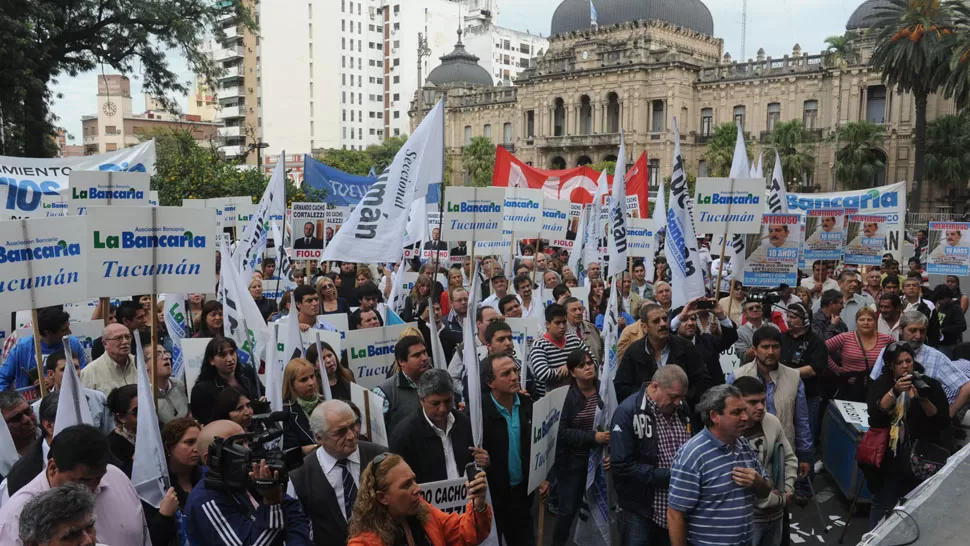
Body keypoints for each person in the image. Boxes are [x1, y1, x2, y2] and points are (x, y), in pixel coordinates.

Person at [0, 424, 150, 545]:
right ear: (53, 468)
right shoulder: (14, 519)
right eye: (83, 481)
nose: (91, 488)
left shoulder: (116, 477)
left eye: (98, 477)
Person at [667, 385, 771, 546]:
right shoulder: (693, 455)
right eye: (736, 412)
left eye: (744, 410)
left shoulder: (743, 445)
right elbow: (675, 514)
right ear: (715, 416)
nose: (745, 417)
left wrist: (758, 482)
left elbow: (766, 491)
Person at [864, 342, 950, 529]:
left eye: (908, 361)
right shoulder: (882, 384)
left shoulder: (929, 385)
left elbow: (942, 421)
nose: (905, 366)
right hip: (889, 457)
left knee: (915, 507)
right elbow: (876, 414)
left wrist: (923, 399)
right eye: (899, 362)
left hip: (920, 458)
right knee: (882, 503)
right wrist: (895, 391)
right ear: (890, 366)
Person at [185, 420, 313, 545]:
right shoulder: (204, 501)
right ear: (212, 459)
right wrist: (271, 501)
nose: (248, 450)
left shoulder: (243, 477)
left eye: (247, 442)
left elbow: (297, 514)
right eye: (239, 444)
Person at [611, 364, 691, 546]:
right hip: (640, 511)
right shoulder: (628, 412)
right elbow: (621, 467)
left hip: (676, 509)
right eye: (673, 397)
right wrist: (670, 476)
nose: (678, 402)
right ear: (655, 387)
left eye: (681, 397)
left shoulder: (681, 409)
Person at [287, 400, 387, 546]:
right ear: (319, 438)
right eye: (340, 432)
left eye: (353, 426)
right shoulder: (301, 476)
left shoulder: (380, 458)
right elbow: (296, 529)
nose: (351, 436)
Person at [731, 327, 813, 493]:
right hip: (748, 454)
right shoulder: (738, 376)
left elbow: (802, 420)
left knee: (781, 499)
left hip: (783, 451)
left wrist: (804, 455)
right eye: (765, 347)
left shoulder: (793, 377)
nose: (770, 352)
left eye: (775, 347)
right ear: (754, 350)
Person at [346, 453, 492, 546]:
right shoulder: (363, 543)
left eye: (414, 480)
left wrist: (478, 504)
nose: (417, 489)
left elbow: (465, 535)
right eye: (406, 485)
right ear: (382, 497)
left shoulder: (424, 511)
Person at [481, 352, 546, 546]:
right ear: (490, 382)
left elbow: (538, 444)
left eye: (515, 370)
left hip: (522, 493)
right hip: (493, 496)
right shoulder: (478, 414)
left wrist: (540, 475)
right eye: (506, 373)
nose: (515, 376)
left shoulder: (527, 405)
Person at [552, 349, 611, 545]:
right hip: (573, 464)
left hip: (599, 462)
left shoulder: (604, 390)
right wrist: (593, 437)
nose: (588, 368)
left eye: (589, 363)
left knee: (596, 510)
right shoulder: (568, 396)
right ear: (572, 372)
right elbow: (561, 432)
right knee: (568, 510)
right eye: (581, 365)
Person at [389, 368, 488, 483]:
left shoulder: (466, 424)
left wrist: (485, 461)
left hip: (468, 497)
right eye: (435, 403)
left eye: (447, 401)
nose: (442, 409)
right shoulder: (404, 435)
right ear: (421, 400)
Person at [869, 311, 970, 418]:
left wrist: (948, 415)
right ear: (901, 330)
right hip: (889, 422)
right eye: (913, 330)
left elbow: (966, 387)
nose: (918, 336)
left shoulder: (936, 357)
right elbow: (874, 385)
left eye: (922, 331)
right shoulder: (887, 352)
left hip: (924, 425)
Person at [735, 377, 797, 546]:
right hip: (747, 519)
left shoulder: (772, 422)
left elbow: (789, 458)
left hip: (776, 515)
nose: (761, 407)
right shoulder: (729, 431)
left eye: (763, 401)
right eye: (753, 402)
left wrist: (787, 488)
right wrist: (778, 500)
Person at [615, 302, 711, 406]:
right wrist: (648, 397)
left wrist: (681, 398)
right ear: (644, 327)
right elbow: (621, 388)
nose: (663, 324)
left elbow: (703, 381)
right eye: (656, 321)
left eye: (665, 319)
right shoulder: (634, 351)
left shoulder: (685, 347)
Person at [0, 307, 87, 391]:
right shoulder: (22, 348)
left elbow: (84, 374)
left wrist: (56, 381)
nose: (70, 332)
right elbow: (2, 378)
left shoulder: (73, 344)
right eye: (64, 330)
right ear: (47, 332)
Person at [151, 417, 203, 545]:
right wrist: (164, 516)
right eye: (189, 442)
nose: (196, 448)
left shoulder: (207, 478)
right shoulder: (158, 487)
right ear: (169, 448)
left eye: (199, 442)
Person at [190, 337, 264, 425]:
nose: (230, 359)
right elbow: (206, 424)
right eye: (222, 355)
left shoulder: (247, 371)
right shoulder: (201, 390)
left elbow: (262, 393)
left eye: (232, 353)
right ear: (211, 360)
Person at [825, 308, 892, 402]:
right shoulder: (845, 337)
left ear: (875, 322)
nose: (865, 323)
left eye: (869, 320)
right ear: (856, 322)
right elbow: (821, 350)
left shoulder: (886, 340)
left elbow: (897, 355)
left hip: (876, 390)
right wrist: (835, 368)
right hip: (849, 388)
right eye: (861, 319)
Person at [531, 303, 593, 398]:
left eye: (564, 322)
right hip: (550, 403)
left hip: (576, 398)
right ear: (547, 324)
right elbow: (543, 374)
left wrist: (568, 367)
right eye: (557, 323)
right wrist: (574, 369)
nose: (562, 326)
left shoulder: (574, 340)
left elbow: (593, 362)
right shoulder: (539, 345)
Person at [671, 298, 738, 385]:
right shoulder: (670, 346)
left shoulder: (707, 341)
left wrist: (721, 315)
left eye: (693, 319)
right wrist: (681, 316)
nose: (690, 323)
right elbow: (668, 329)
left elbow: (731, 338)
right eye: (684, 320)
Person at [373, 336, 430, 432]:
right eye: (417, 355)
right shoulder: (384, 392)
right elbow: (376, 433)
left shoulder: (437, 380)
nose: (424, 358)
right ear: (402, 361)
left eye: (424, 352)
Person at [282, 358, 323, 457]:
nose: (311, 383)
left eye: (312, 376)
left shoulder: (326, 403)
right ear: (291, 385)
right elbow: (291, 451)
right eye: (304, 379)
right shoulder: (285, 414)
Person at [141, 341, 189, 424]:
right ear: (144, 364)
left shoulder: (178, 385)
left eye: (166, 353)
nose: (166, 357)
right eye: (157, 355)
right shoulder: (143, 394)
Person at [734, 297, 779, 363]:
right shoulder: (739, 332)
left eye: (758, 307)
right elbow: (744, 356)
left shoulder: (774, 327)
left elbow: (780, 350)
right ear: (744, 314)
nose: (755, 309)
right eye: (751, 308)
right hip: (749, 370)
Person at [928, 285, 967, 357]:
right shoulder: (941, 307)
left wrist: (943, 329)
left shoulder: (955, 308)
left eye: (942, 299)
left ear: (947, 297)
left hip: (949, 344)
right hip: (940, 342)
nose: (940, 302)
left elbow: (962, 326)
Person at [564, 296, 603, 365]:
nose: (578, 312)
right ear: (565, 313)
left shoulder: (593, 329)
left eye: (580, 309)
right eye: (574, 310)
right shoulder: (561, 333)